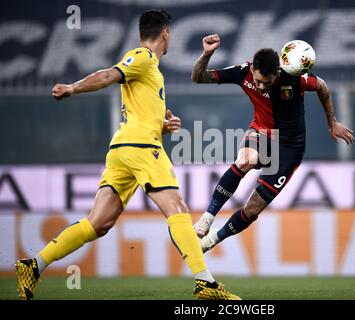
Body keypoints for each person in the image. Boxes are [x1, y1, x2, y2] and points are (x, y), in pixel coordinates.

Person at [15, 12, 240, 300]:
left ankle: (33, 266)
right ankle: (206, 285)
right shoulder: (142, 56)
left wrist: (161, 126)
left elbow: (137, 111)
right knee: (178, 210)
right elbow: (108, 75)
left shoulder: (149, 68)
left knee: (98, 223)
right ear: (166, 34)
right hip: (142, 148)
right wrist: (73, 88)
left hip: (123, 149)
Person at [191, 34, 354, 252]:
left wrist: (332, 122)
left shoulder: (295, 78)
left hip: (289, 148)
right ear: (253, 71)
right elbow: (198, 77)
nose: (259, 87)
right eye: (257, 81)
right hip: (262, 131)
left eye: (266, 83)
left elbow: (322, 86)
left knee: (252, 209)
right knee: (245, 159)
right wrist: (207, 54)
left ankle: (210, 241)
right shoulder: (243, 72)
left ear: (277, 73)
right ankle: (206, 218)